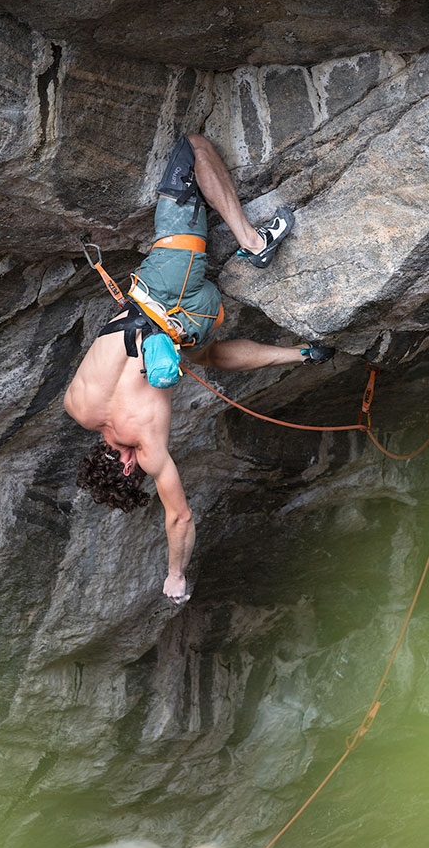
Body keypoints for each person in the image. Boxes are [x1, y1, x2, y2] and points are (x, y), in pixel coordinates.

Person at [63, 133, 334, 604]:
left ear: (127, 469)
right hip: (163, 287)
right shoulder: (76, 406)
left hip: (190, 315)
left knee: (203, 355)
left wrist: (176, 576)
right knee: (191, 149)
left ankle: (302, 352)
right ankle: (252, 241)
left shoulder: (147, 445)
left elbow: (180, 518)